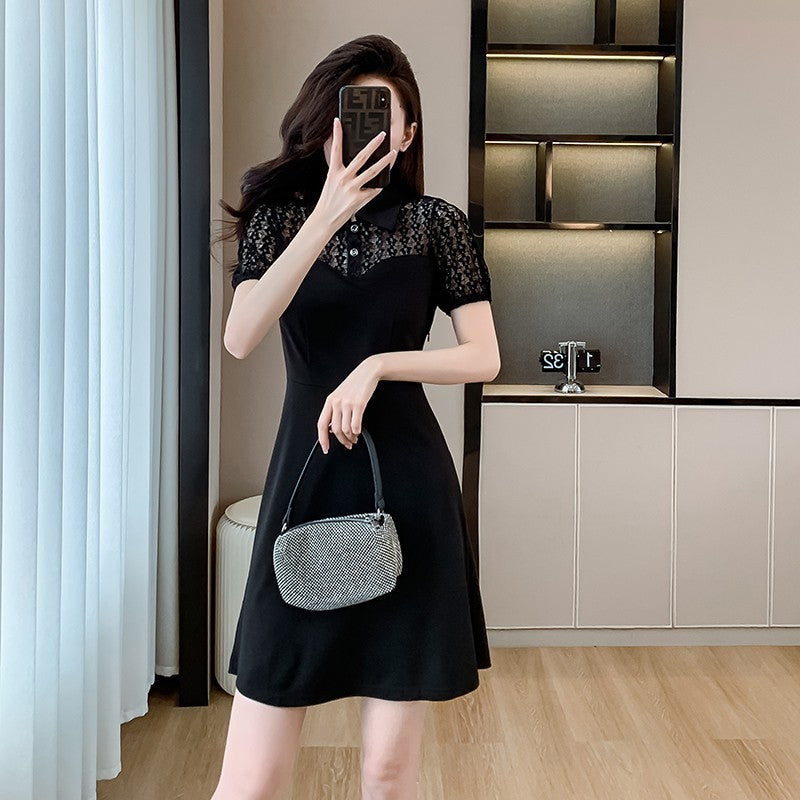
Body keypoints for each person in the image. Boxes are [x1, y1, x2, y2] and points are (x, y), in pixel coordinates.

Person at [213, 33, 500, 800]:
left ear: (407, 135)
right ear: (327, 126)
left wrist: (376, 366)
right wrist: (325, 215)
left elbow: (484, 357)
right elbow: (240, 336)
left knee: (387, 770)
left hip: (407, 490)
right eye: (353, 112)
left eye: (386, 116)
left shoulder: (437, 224)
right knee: (251, 781)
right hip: (305, 487)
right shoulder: (279, 217)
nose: (370, 129)